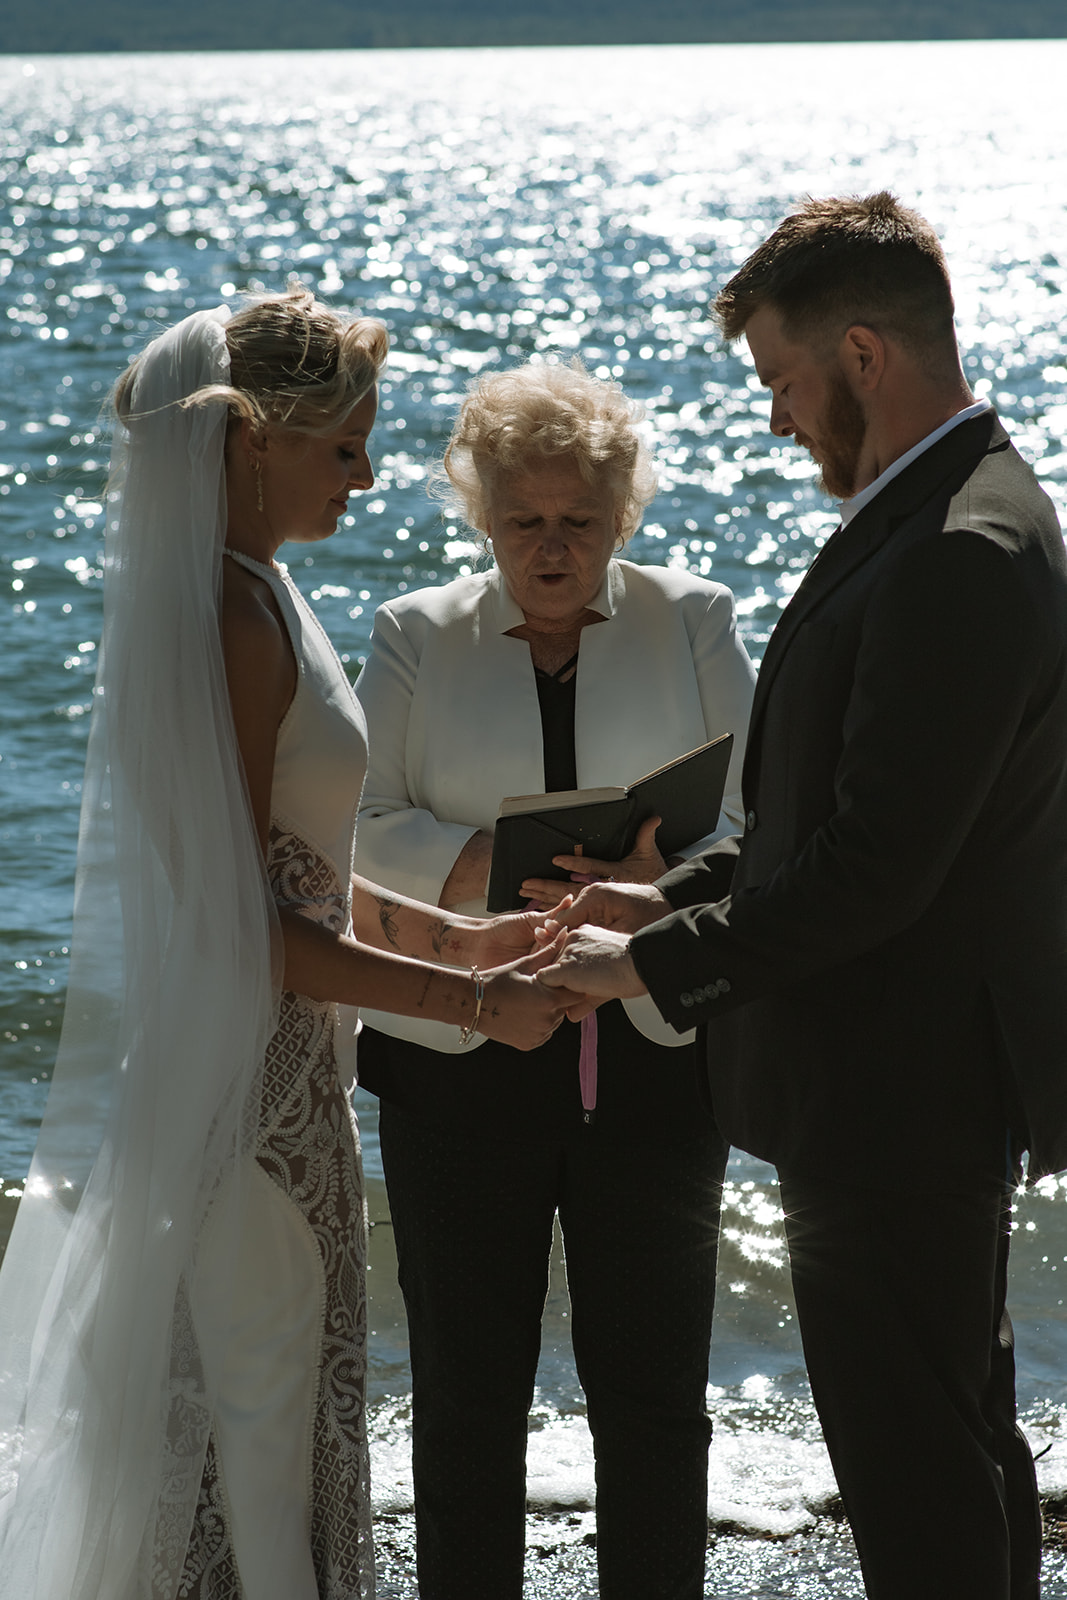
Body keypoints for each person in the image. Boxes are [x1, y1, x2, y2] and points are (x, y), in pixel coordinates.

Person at [0, 291, 573, 1600]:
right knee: (262, 1452)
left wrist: (486, 946)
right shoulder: (233, 617)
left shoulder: (258, 593)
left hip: (281, 1086)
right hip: (245, 1099)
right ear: (253, 437)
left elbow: (312, 876)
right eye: (345, 446)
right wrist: (475, 1008)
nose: (367, 475)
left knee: (276, 1433)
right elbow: (258, 936)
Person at [539, 192, 1067, 1600]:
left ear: (860, 353)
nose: (773, 417)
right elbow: (809, 820)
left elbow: (876, 868)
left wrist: (656, 971)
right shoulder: (944, 513)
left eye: (778, 380)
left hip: (899, 1088)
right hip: (899, 1084)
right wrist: (660, 904)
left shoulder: (961, 546)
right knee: (951, 1442)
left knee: (915, 1467)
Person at [351, 358, 756, 1599]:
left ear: (619, 515)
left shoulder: (693, 616)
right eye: (522, 520)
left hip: (652, 1051)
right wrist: (488, 865)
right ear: (481, 513)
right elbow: (359, 825)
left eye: (577, 521)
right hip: (459, 1061)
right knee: (467, 1396)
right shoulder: (414, 634)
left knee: (651, 1394)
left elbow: (754, 822)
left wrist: (659, 877)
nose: (549, 547)